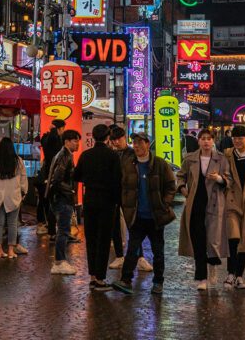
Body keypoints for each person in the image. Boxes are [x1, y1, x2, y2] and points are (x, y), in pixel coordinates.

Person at [111, 132, 177, 296]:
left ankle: (158, 282)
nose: (137, 146)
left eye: (141, 142)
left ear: (148, 144)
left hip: (155, 217)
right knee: (132, 250)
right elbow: (123, 187)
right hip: (136, 217)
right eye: (135, 143)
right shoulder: (129, 165)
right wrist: (126, 206)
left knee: (158, 251)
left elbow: (171, 186)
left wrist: (164, 204)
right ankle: (126, 280)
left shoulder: (160, 164)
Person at [178, 129, 231, 290]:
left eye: (209, 139)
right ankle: (201, 277)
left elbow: (229, 180)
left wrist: (219, 178)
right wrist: (182, 189)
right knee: (198, 239)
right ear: (199, 141)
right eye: (203, 139)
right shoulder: (190, 159)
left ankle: (213, 267)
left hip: (214, 203)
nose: (206, 142)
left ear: (213, 141)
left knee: (212, 239)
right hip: (195, 202)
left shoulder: (221, 159)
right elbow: (181, 176)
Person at [74, 124, 121, 290]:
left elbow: (76, 175)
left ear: (93, 137)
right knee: (104, 239)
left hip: (90, 199)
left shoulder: (86, 155)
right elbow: (117, 180)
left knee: (91, 238)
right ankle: (100, 278)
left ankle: (93, 275)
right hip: (107, 201)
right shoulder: (112, 156)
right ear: (108, 137)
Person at [107, 126, 153, 272]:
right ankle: (120, 256)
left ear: (123, 138)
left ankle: (140, 258)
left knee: (133, 225)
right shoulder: (111, 154)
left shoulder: (132, 153)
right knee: (114, 226)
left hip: (130, 195)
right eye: (113, 140)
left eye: (118, 139)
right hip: (114, 194)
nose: (115, 143)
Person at [222, 125, 245, 290]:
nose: (237, 141)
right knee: (233, 238)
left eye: (240, 138)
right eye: (234, 137)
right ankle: (230, 273)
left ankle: (239, 276)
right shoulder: (226, 155)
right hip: (231, 203)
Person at [46, 129, 80, 275]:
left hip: (58, 198)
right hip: (62, 198)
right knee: (63, 230)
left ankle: (60, 261)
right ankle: (59, 261)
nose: (77, 143)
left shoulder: (63, 155)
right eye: (75, 141)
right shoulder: (64, 156)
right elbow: (57, 179)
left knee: (63, 230)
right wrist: (71, 192)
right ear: (67, 141)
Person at [0, 138, 28, 259]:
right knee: (12, 224)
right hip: (14, 196)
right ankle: (11, 250)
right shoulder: (18, 161)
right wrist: (23, 192)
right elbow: (23, 178)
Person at [36, 119, 65, 237]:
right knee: (52, 200)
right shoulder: (56, 140)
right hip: (52, 173)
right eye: (62, 128)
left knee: (44, 199)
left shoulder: (45, 138)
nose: (63, 131)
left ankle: (43, 224)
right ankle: (51, 229)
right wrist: (54, 131)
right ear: (59, 128)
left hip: (44, 173)